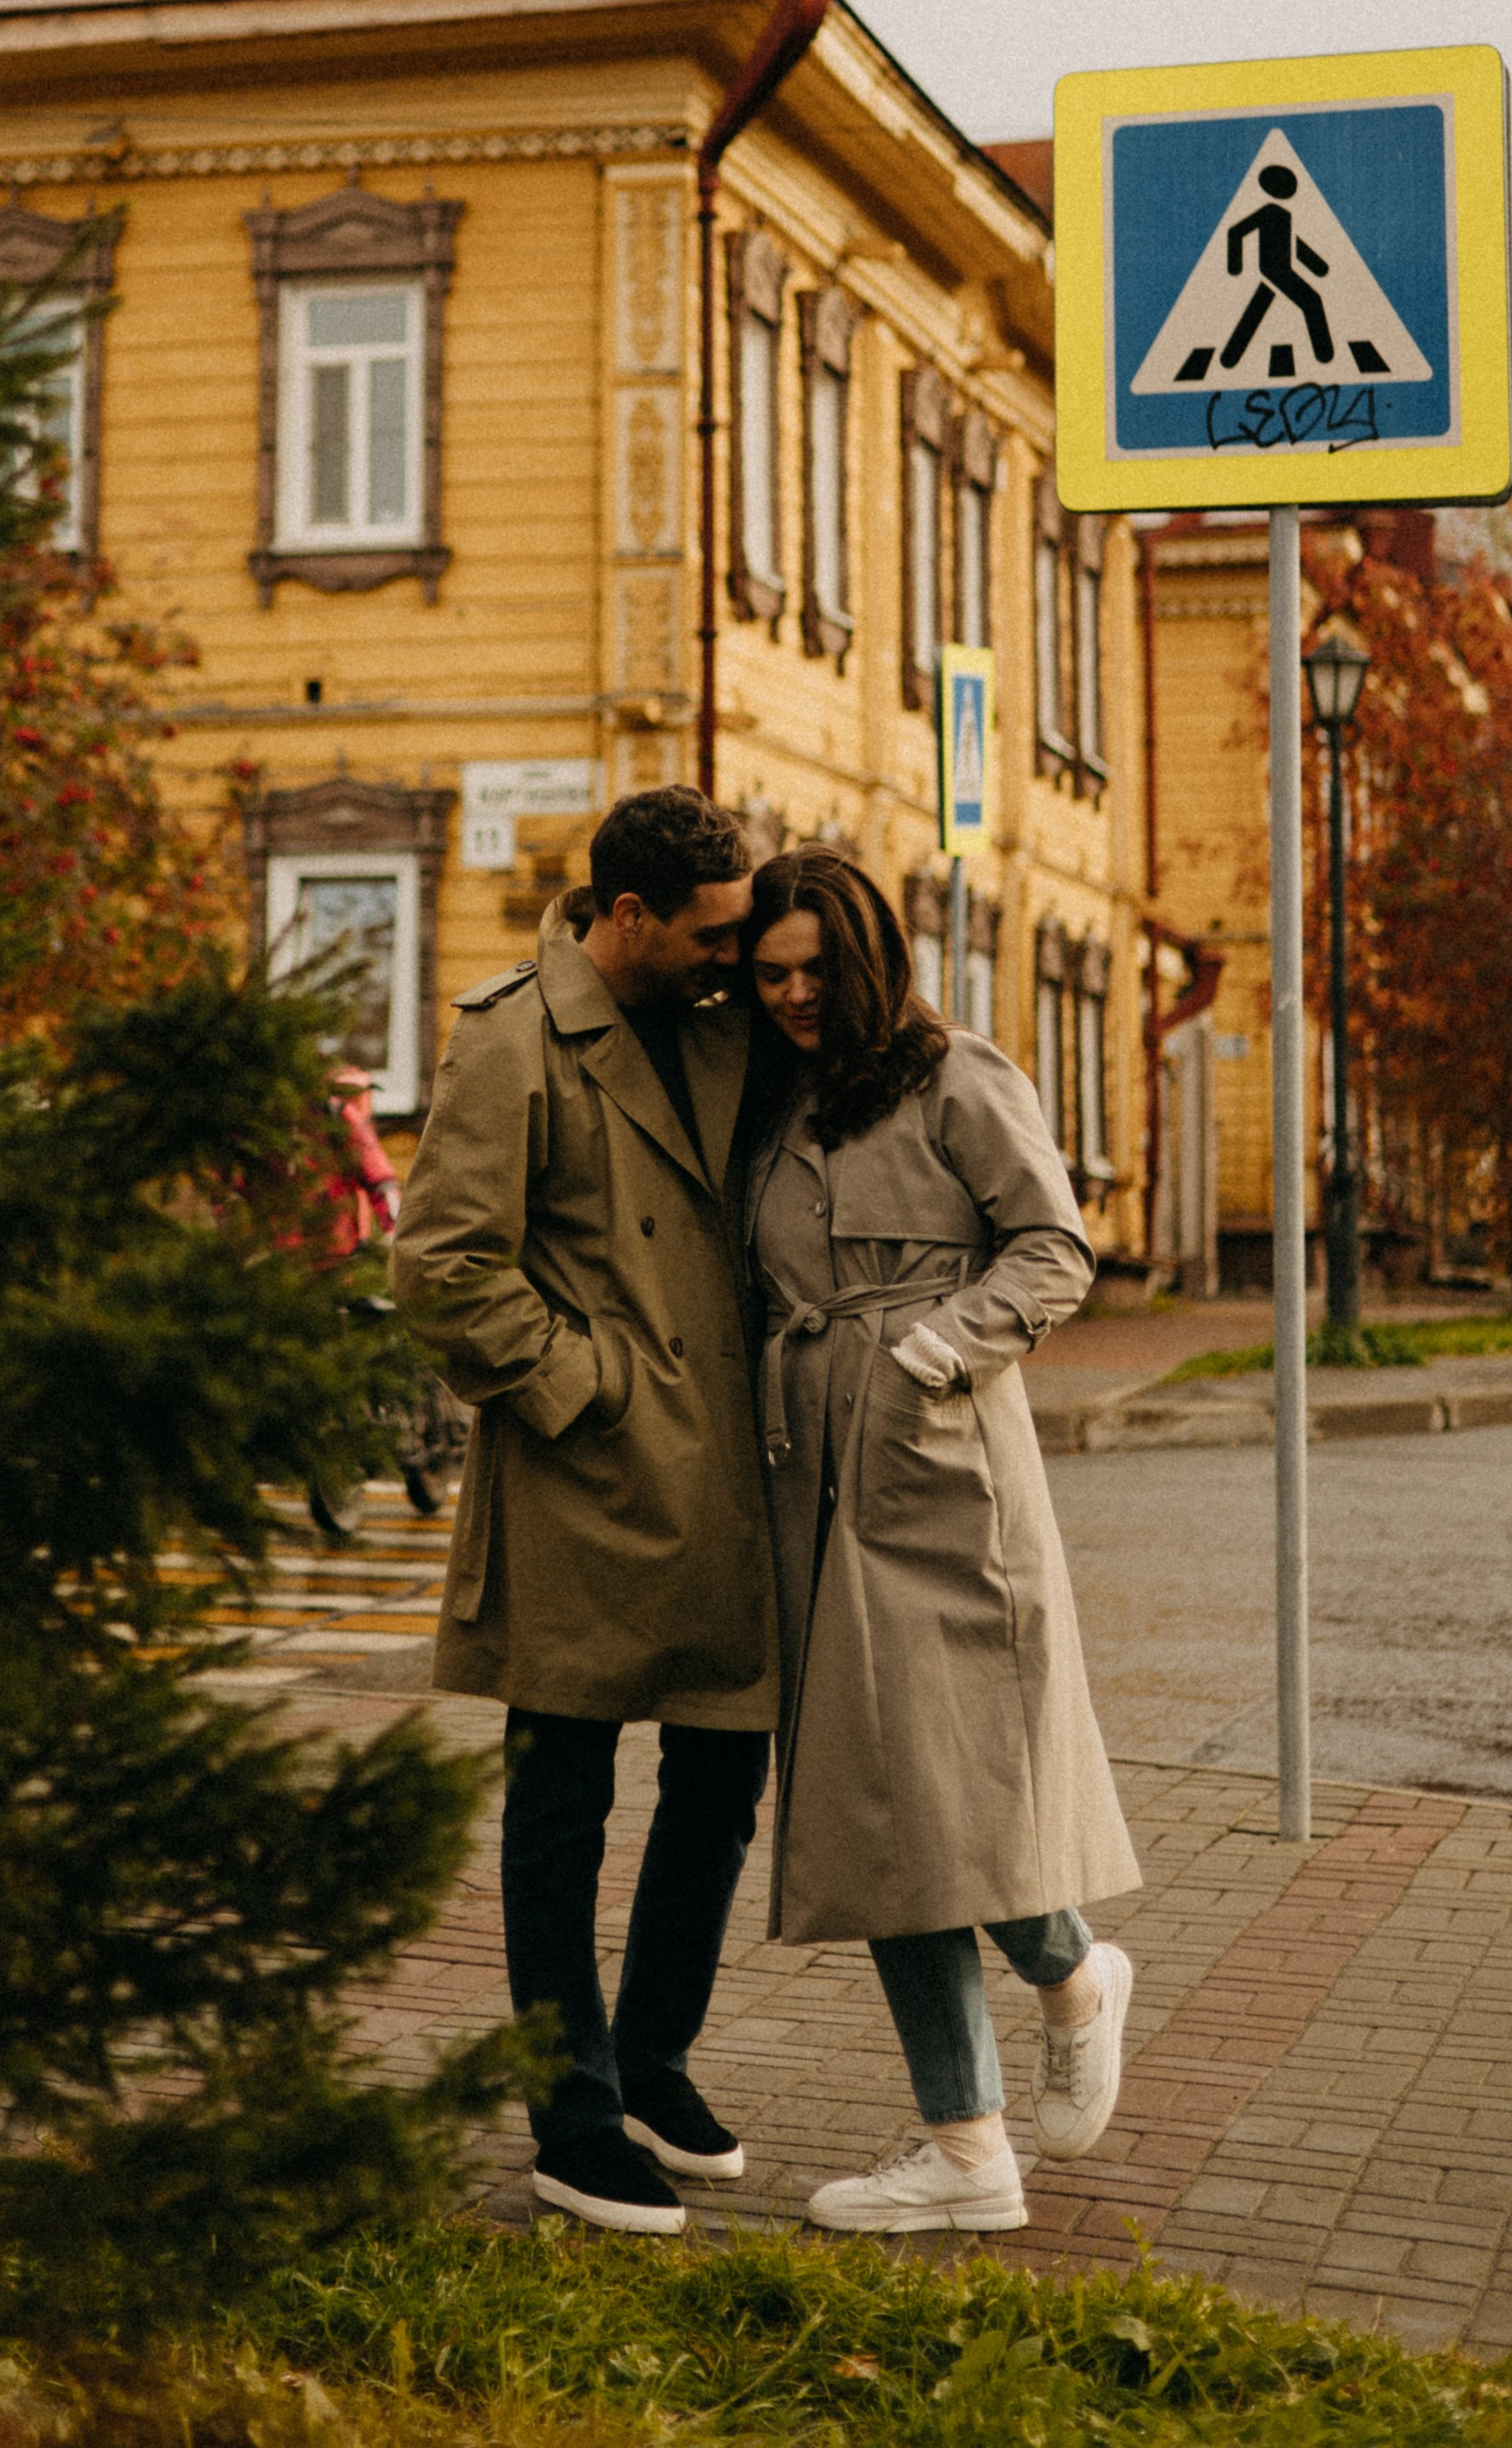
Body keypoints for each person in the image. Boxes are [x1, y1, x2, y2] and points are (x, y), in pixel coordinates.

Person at [742, 846, 1139, 2237]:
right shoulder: (769, 1102)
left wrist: (930, 1352)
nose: (793, 995)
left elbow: (1055, 1250)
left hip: (941, 1474)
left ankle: (1071, 1973)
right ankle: (969, 2145)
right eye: (769, 973)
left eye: (814, 969)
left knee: (954, 1793)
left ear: (868, 959)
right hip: (810, 1481)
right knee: (878, 1811)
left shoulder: (960, 1076)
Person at [394, 786, 772, 2236]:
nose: (733, 956)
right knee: (562, 1809)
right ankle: (572, 2117)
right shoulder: (513, 1039)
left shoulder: (727, 1023)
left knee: (720, 1783)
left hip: (725, 1477)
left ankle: (654, 2066)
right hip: (584, 1484)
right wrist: (589, 1385)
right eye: (710, 933)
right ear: (628, 917)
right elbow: (441, 1268)